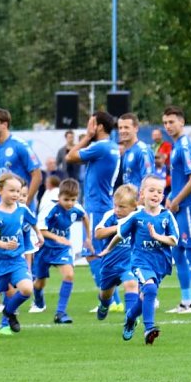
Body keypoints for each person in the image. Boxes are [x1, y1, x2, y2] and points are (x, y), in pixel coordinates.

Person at [100, 174, 179, 345]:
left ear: (163, 196)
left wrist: (157, 236)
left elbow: (174, 239)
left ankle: (130, 318)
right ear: (142, 194)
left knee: (145, 297)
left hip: (160, 263)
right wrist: (107, 249)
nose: (156, 194)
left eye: (159, 191)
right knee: (149, 289)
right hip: (140, 261)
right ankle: (149, 328)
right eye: (151, 190)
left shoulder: (167, 216)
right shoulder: (136, 217)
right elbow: (120, 235)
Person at [0, 172, 42, 337]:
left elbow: (33, 221)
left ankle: (8, 311)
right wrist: (5, 245)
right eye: (11, 191)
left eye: (18, 191)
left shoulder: (22, 209)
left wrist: (40, 235)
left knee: (27, 289)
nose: (16, 195)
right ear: (0, 190)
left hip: (15, 259)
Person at [66, 112, 118, 310]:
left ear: (99, 127)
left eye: (91, 124)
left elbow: (70, 156)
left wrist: (87, 137)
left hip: (96, 206)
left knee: (91, 252)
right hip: (103, 204)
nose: (87, 127)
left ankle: (110, 300)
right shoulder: (112, 147)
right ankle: (116, 301)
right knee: (103, 253)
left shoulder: (100, 146)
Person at [28, 178, 91, 323]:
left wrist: (88, 238)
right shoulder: (50, 208)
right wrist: (58, 238)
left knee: (69, 275)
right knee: (39, 283)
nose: (70, 203)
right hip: (44, 247)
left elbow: (85, 217)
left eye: (73, 199)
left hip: (61, 249)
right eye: (66, 199)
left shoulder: (77, 207)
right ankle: (38, 301)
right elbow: (41, 230)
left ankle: (60, 313)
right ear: (59, 197)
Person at [161, 106, 191, 314]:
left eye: (172, 122)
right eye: (165, 123)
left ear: (182, 122)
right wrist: (171, 197)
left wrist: (176, 199)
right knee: (177, 251)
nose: (168, 126)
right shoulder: (176, 146)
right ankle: (185, 300)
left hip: (187, 207)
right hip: (178, 205)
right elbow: (180, 180)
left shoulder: (185, 146)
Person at [93, 184, 140, 321]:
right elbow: (98, 233)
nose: (117, 210)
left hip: (129, 263)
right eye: (116, 206)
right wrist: (119, 227)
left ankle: (130, 319)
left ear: (134, 206)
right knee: (106, 295)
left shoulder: (139, 217)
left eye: (122, 207)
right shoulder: (110, 216)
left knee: (131, 284)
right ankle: (104, 304)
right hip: (110, 264)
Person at [0, 107, 42, 208]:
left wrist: (26, 203)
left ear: (4, 125)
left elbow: (37, 175)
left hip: (20, 208)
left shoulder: (20, 145)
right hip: (0, 209)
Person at [118, 112, 152, 189]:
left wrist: (139, 201)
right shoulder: (127, 151)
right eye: (120, 128)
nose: (122, 131)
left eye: (126, 127)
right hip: (129, 200)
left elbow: (149, 182)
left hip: (138, 200)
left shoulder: (143, 150)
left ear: (136, 128)